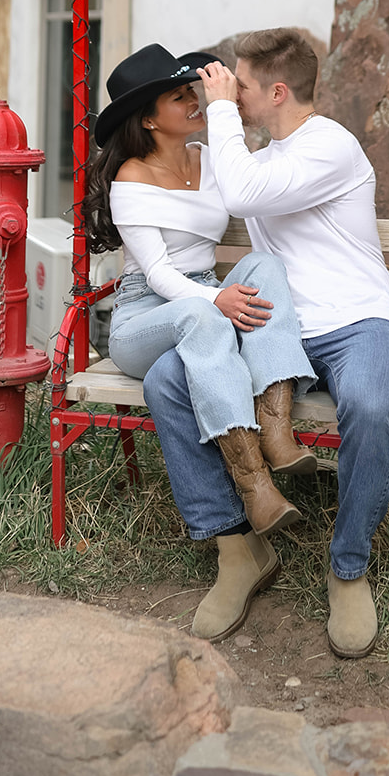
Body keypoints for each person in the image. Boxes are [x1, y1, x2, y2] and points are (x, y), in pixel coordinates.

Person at [143, 28, 389, 658]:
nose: (230, 92)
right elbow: (202, 186)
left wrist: (219, 112)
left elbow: (240, 194)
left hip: (357, 323)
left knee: (371, 407)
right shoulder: (254, 157)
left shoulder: (330, 146)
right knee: (165, 381)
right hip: (273, 326)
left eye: (242, 84)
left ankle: (347, 567)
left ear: (279, 92)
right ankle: (237, 548)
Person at [87, 43, 318, 636]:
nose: (192, 102)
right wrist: (212, 299)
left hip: (207, 308)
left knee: (256, 277)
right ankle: (255, 486)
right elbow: (161, 275)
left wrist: (231, 103)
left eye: (192, 92)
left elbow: (259, 176)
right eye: (178, 97)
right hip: (147, 315)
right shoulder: (130, 180)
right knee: (194, 325)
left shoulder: (210, 158)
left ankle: (271, 444)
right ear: (147, 118)